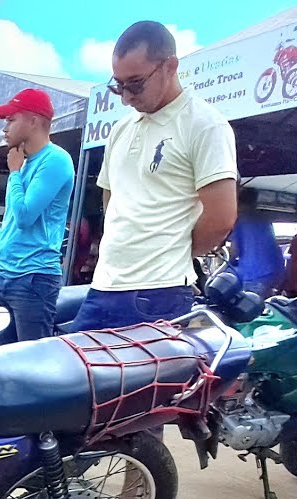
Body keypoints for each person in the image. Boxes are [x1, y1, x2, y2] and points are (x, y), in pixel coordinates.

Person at [70, 20, 238, 332]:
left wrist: (169, 249)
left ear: (169, 67)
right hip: (104, 284)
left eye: (134, 84)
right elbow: (112, 197)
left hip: (159, 291)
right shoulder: (121, 129)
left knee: (135, 383)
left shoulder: (204, 125)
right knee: (68, 376)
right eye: (118, 85)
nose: (126, 97)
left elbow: (222, 218)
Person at [0, 87, 75, 343]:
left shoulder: (54, 160)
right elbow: (11, 227)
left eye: (11, 119)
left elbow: (24, 216)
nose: (4, 128)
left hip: (33, 279)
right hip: (6, 276)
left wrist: (15, 173)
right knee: (0, 359)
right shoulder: (24, 163)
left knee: (30, 365)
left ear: (33, 121)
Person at [230, 187, 283, 297]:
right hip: (270, 273)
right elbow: (274, 247)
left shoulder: (239, 221)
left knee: (249, 309)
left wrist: (229, 262)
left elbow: (236, 251)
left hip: (251, 274)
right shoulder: (265, 219)